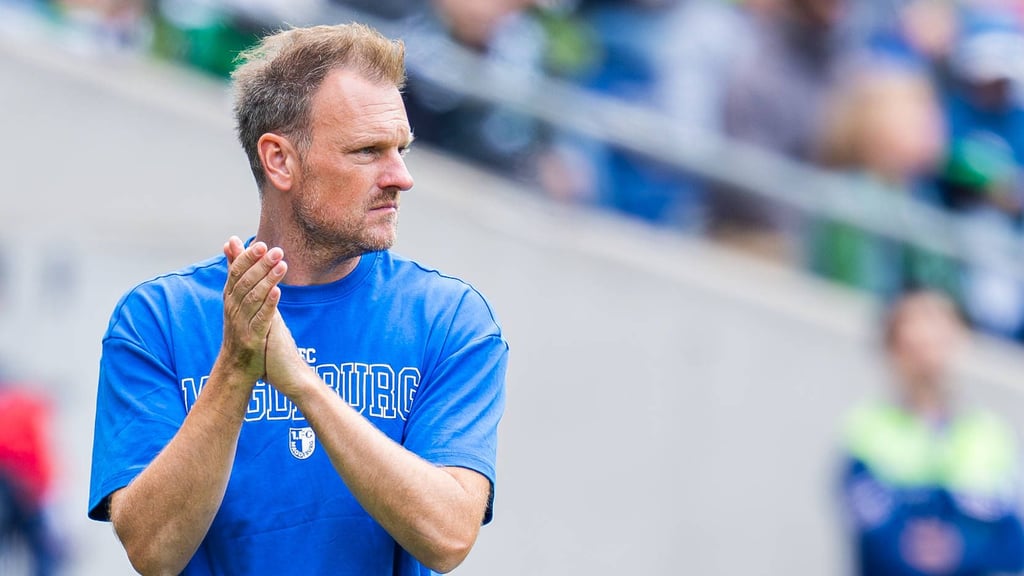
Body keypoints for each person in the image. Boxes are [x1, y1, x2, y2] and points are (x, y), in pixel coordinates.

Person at [87, 23, 508, 576]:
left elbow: (449, 535)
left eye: (401, 150)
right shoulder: (156, 320)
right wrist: (236, 368)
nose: (401, 177)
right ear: (279, 160)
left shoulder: (450, 321)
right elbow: (153, 551)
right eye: (368, 152)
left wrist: (302, 384)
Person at [839, 289, 1024, 575]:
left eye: (940, 336)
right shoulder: (868, 429)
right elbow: (877, 534)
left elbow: (1010, 543)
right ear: (892, 348)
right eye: (915, 340)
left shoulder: (988, 434)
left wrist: (961, 548)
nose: (929, 351)